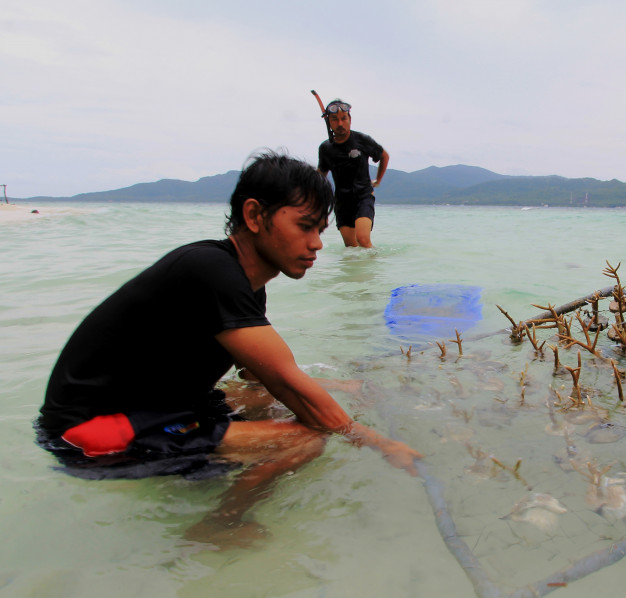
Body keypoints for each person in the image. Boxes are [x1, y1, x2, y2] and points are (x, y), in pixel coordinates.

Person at [36, 151, 419, 545]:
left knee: (262, 400)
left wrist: (340, 389)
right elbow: (287, 383)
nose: (318, 244)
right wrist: (378, 442)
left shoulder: (244, 283)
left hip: (143, 407)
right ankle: (221, 524)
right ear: (254, 216)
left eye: (321, 229)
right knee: (306, 439)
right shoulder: (209, 270)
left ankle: (204, 473)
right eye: (305, 227)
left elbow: (261, 377)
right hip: (87, 431)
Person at [317, 98, 389, 248]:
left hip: (363, 196)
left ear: (350, 119)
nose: (340, 124)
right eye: (335, 119)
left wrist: (378, 180)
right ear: (329, 122)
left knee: (362, 239)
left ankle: (376, 268)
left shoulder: (362, 140)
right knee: (351, 248)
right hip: (342, 202)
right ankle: (358, 272)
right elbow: (320, 175)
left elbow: (384, 156)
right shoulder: (325, 148)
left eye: (344, 118)